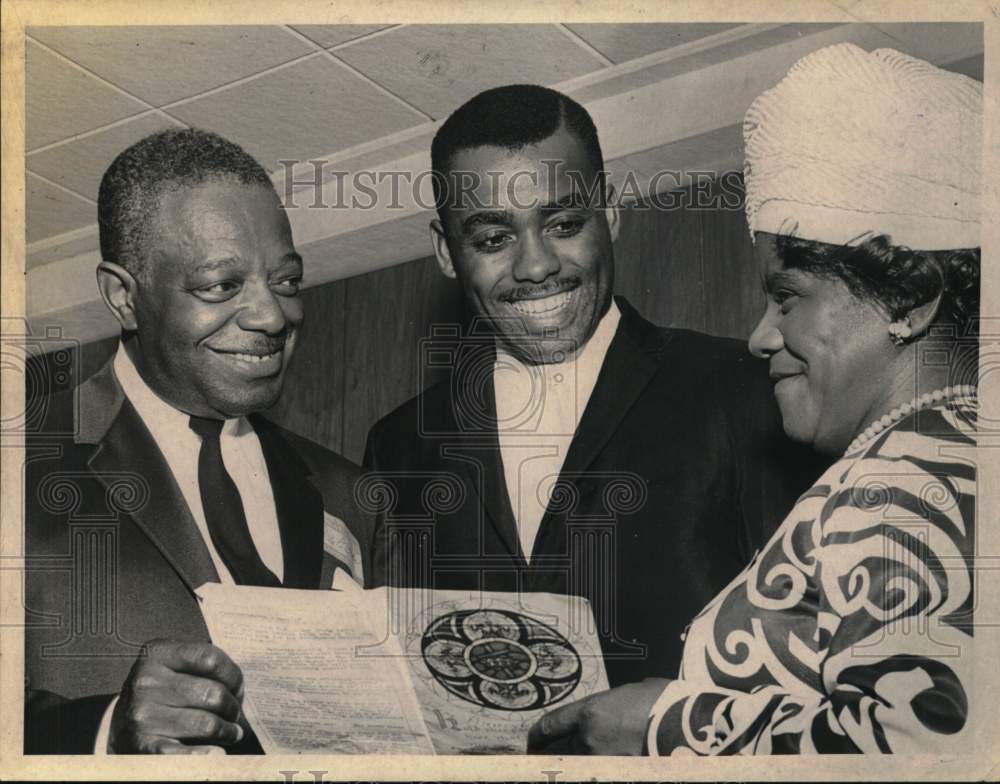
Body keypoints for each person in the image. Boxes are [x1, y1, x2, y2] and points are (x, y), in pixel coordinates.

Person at [527, 43, 981, 755]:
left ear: (912, 296)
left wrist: (661, 728)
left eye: (787, 297)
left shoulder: (905, 479)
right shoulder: (955, 451)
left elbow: (929, 748)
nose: (760, 336)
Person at [364, 84, 821, 689]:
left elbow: (811, 646)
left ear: (609, 213)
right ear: (447, 251)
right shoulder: (398, 448)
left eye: (563, 223)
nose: (535, 265)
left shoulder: (742, 387)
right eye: (493, 239)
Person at [24, 128, 371, 754]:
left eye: (286, 282)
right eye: (221, 286)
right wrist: (105, 733)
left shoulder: (351, 492)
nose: (272, 317)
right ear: (123, 296)